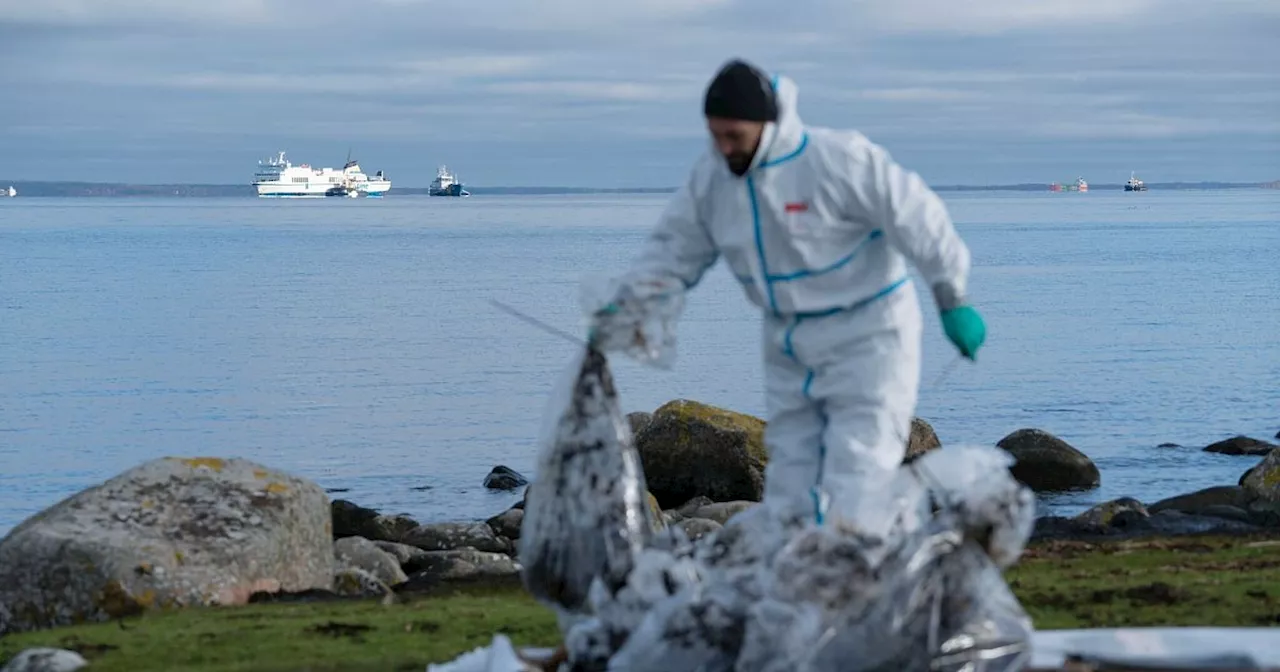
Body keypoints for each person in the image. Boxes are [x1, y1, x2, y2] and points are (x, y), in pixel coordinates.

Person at [592, 58, 986, 524]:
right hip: (788, 340)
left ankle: (861, 576)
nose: (723, 147)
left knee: (859, 468)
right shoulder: (713, 181)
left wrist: (951, 296)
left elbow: (919, 218)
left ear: (766, 124)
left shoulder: (835, 160)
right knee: (793, 478)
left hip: (869, 333)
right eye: (715, 135)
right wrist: (631, 303)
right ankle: (808, 578)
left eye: (733, 136)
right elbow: (673, 250)